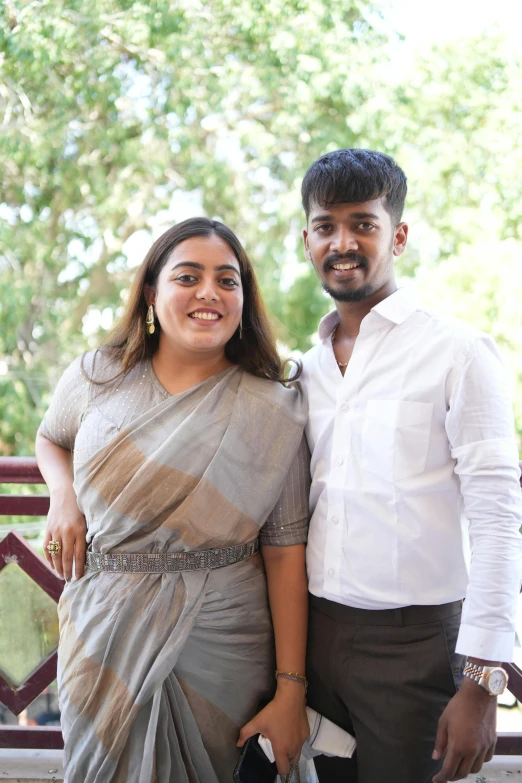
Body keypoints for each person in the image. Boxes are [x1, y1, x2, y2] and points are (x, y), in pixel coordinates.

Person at [36, 217, 310, 783]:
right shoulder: (97, 375)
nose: (208, 292)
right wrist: (62, 496)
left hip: (224, 639)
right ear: (150, 296)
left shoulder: (273, 408)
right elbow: (50, 437)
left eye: (227, 281)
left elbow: (285, 552)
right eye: (188, 276)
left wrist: (290, 691)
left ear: (243, 302)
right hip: (101, 633)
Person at [299, 148, 522, 783]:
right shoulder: (304, 369)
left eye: (363, 224)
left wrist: (483, 678)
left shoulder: (456, 352)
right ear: (307, 239)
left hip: (415, 650)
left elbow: (499, 517)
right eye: (325, 226)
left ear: (397, 235)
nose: (343, 243)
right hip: (313, 642)